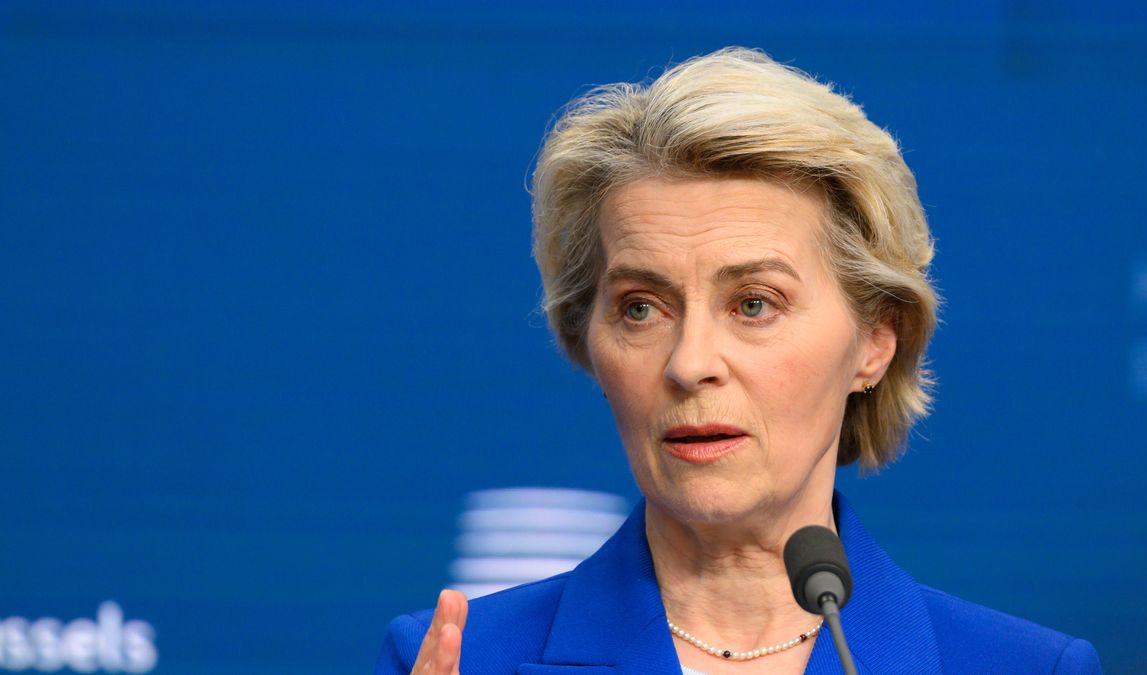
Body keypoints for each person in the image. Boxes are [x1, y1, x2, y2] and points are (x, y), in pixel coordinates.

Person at [375, 47, 1102, 674]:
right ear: (587, 340)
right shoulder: (462, 656)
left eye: (754, 303)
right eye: (640, 307)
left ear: (877, 339)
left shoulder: (1027, 667)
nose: (690, 364)